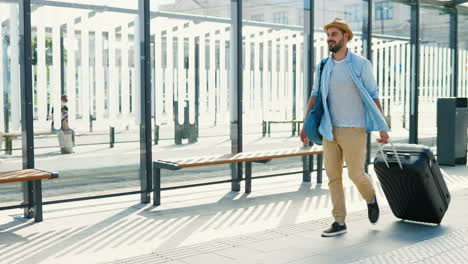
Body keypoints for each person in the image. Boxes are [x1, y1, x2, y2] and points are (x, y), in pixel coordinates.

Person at [299, 18, 390, 237]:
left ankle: (371, 198)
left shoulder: (361, 64)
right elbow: (314, 95)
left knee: (357, 174)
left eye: (334, 34)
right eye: (328, 35)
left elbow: (372, 96)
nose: (329, 39)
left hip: (354, 128)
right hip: (328, 127)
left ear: (345, 37)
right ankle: (339, 221)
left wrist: (382, 127)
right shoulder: (323, 65)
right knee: (333, 176)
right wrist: (305, 124)